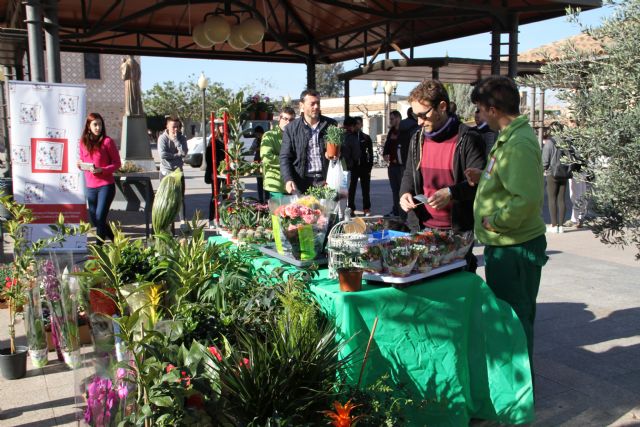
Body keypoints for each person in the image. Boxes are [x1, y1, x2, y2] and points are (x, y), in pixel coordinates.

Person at [466, 76, 547, 376]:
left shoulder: (519, 143)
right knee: (510, 318)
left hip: (515, 247)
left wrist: (496, 222)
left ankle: (519, 397)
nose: (478, 116)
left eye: (480, 110)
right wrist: (483, 178)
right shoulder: (510, 137)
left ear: (493, 109)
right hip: (505, 246)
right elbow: (509, 181)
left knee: (515, 320)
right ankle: (513, 390)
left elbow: (525, 199)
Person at [398, 80, 486, 272]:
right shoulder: (417, 138)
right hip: (422, 228)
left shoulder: (469, 139)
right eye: (415, 115)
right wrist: (405, 192)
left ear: (442, 107)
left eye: (423, 115)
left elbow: (479, 184)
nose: (419, 121)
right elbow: (409, 173)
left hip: (457, 233)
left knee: (455, 287)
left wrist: (451, 193)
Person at [280, 89, 338, 194]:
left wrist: (337, 154)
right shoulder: (291, 129)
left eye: (318, 103)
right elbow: (285, 157)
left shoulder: (331, 125)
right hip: (301, 183)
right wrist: (288, 179)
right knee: (304, 210)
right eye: (312, 104)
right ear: (301, 105)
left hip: (326, 181)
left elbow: (343, 150)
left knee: (326, 210)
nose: (316, 107)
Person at [78, 113, 121, 243]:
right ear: (88, 126)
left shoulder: (107, 142)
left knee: (100, 216)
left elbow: (117, 163)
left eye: (100, 124)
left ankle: (99, 248)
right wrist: (80, 165)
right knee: (96, 219)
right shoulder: (83, 143)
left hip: (105, 186)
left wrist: (102, 170)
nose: (98, 127)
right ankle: (116, 239)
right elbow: (83, 161)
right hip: (91, 187)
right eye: (95, 124)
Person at [158, 116, 188, 225]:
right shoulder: (163, 138)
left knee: (180, 198)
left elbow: (184, 152)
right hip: (166, 172)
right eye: (173, 127)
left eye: (178, 127)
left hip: (178, 172)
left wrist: (176, 140)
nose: (176, 129)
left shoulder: (182, 138)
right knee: (166, 198)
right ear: (167, 126)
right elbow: (162, 155)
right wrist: (177, 155)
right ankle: (167, 222)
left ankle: (183, 221)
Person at [542, 125, 569, 234]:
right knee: (561, 199)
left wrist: (543, 170)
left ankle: (554, 225)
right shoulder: (566, 142)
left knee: (552, 199)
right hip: (564, 173)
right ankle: (561, 226)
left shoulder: (549, 143)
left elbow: (545, 161)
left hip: (551, 173)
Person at [348, 116, 374, 215]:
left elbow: (370, 154)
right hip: (354, 167)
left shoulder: (366, 138)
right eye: (355, 124)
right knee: (352, 189)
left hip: (364, 167)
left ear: (362, 125)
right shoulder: (350, 137)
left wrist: (369, 167)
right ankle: (351, 208)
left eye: (359, 124)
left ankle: (366, 209)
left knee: (366, 189)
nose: (357, 126)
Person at [382, 110, 404, 216]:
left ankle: (403, 212)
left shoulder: (404, 131)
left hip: (402, 167)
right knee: (395, 190)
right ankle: (396, 210)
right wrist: (385, 153)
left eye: (392, 119)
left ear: (398, 118)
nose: (390, 121)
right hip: (392, 166)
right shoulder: (391, 131)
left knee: (402, 190)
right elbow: (387, 144)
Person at [204, 122, 226, 228]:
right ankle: (211, 219)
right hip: (215, 171)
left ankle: (226, 219)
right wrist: (212, 172)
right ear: (217, 127)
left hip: (226, 171)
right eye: (220, 126)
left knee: (227, 195)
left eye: (224, 125)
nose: (222, 127)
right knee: (215, 195)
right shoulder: (213, 140)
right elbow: (208, 157)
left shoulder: (229, 139)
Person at [250, 126, 266, 202]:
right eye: (256, 134)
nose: (257, 136)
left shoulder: (266, 139)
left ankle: (267, 199)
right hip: (257, 162)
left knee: (266, 182)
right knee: (259, 182)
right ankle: (261, 200)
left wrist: (259, 149)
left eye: (258, 134)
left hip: (264, 162)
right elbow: (251, 150)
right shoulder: (255, 141)